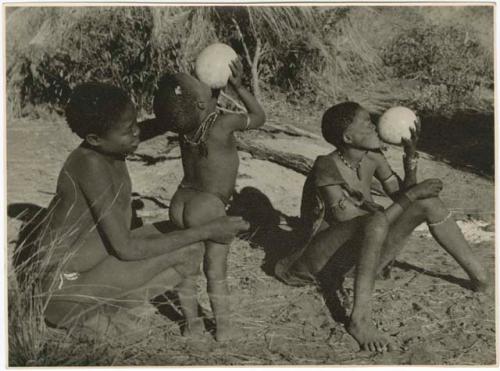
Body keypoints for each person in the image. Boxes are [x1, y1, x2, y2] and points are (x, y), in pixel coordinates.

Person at [35, 83, 249, 335]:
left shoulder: (110, 144)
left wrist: (195, 102)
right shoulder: (90, 166)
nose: (137, 133)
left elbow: (154, 125)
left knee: (179, 231)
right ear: (94, 139)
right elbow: (126, 249)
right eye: (129, 130)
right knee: (190, 247)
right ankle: (91, 318)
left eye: (135, 123)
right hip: (64, 291)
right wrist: (209, 229)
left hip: (91, 269)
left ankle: (107, 310)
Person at [275, 101, 488, 352]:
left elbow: (404, 195)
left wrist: (410, 156)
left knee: (429, 202)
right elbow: (354, 221)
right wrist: (412, 195)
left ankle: (481, 279)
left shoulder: (372, 157)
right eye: (367, 123)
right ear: (348, 137)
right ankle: (359, 321)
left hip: (360, 255)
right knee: (375, 220)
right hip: (320, 261)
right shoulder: (326, 166)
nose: (375, 126)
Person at [153, 59, 266, 341]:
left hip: (180, 202)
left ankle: (192, 326)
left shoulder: (183, 127)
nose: (204, 81)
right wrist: (238, 87)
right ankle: (225, 329)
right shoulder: (223, 124)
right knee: (215, 270)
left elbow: (202, 106)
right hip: (208, 204)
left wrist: (211, 90)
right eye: (200, 84)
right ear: (202, 104)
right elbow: (259, 117)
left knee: (186, 269)